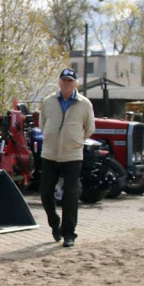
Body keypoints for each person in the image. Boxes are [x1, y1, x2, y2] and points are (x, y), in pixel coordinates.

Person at [38, 67, 95, 248]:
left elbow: (89, 128)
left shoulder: (84, 104)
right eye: (64, 80)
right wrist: (51, 138)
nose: (67, 83)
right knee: (45, 193)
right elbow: (42, 123)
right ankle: (55, 224)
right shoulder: (48, 101)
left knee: (70, 196)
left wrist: (75, 141)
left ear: (76, 83)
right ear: (59, 82)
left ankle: (69, 233)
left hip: (72, 155)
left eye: (70, 80)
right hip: (50, 154)